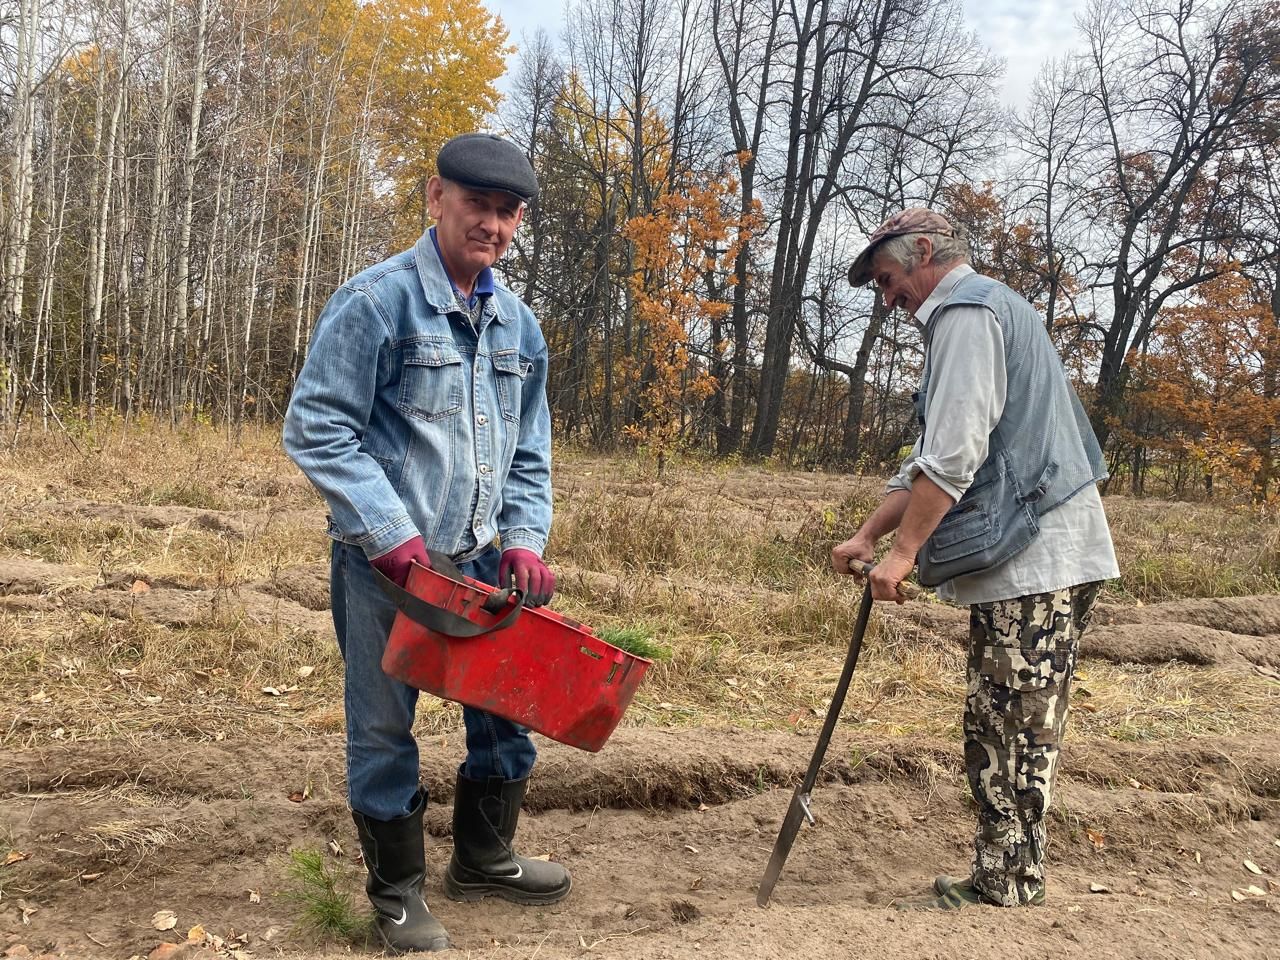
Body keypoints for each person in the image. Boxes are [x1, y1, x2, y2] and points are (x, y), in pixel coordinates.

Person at [283, 132, 568, 953]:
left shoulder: (519, 326)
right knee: (382, 728)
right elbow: (317, 428)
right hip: (387, 569)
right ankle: (397, 893)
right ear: (436, 198)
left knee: (505, 719)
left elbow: (530, 451)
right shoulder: (376, 302)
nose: (493, 224)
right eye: (477, 203)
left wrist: (522, 539)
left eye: (509, 212)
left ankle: (484, 857)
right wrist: (392, 537)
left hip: (482, 564)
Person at [832, 208, 1119, 910]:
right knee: (1011, 719)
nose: (886, 297)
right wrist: (868, 535)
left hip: (1036, 555)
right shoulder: (986, 310)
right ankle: (1009, 873)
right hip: (1041, 552)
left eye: (888, 278)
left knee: (1009, 725)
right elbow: (930, 457)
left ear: (925, 251)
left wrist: (901, 556)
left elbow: (955, 454)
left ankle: (1008, 883)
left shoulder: (963, 313)